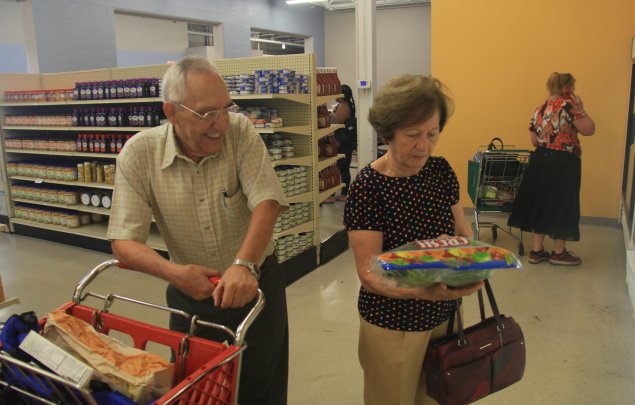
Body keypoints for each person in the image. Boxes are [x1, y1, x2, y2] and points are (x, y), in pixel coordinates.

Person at [106, 56, 290, 405]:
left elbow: (267, 201)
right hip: (191, 293)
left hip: (256, 286)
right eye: (206, 113)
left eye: (225, 109)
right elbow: (123, 241)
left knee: (261, 385)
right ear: (171, 112)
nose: (220, 124)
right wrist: (175, 273)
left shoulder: (240, 132)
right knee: (196, 387)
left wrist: (244, 265)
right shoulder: (139, 153)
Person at [343, 74, 483, 405]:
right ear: (388, 133)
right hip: (394, 323)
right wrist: (423, 291)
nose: (424, 145)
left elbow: (465, 233)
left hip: (445, 316)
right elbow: (370, 272)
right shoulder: (368, 187)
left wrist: (469, 257)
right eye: (412, 135)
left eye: (432, 134)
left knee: (437, 397)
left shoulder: (440, 171)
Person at [508, 72, 596, 266]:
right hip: (564, 162)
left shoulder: (539, 109)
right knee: (562, 203)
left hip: (540, 159)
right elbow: (589, 129)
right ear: (568, 89)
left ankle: (537, 251)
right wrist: (582, 109)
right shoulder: (570, 107)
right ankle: (559, 253)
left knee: (541, 201)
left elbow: (533, 140)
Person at [331, 84, 357, 202]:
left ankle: (341, 194)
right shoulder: (349, 105)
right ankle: (343, 192)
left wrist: (330, 117)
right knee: (344, 167)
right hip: (348, 142)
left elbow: (336, 121)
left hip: (343, 142)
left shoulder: (343, 106)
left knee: (340, 168)